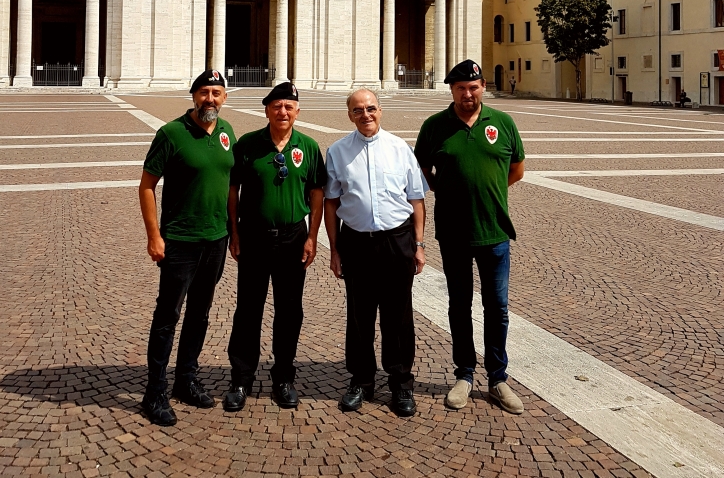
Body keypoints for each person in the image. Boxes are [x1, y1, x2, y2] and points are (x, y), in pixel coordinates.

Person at [414, 60, 526, 415]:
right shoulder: (434, 127)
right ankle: (464, 375)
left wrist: (490, 193)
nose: (468, 93)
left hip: (494, 232)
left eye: (473, 87)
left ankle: (498, 378)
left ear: (482, 86)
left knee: (498, 308)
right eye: (461, 88)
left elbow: (517, 169)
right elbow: (419, 169)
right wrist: (444, 189)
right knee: (459, 308)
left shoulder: (503, 122)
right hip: (454, 233)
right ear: (452, 90)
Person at [138, 69, 236, 426]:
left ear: (224, 98)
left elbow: (229, 186)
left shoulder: (226, 133)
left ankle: (186, 379)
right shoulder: (171, 133)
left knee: (200, 312)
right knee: (168, 315)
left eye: (217, 93)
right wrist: (154, 235)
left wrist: (233, 232)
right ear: (194, 96)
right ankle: (155, 390)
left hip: (216, 238)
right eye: (205, 93)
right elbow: (147, 186)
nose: (211, 99)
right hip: (180, 239)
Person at [224, 82, 326, 412]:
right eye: (277, 106)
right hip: (253, 236)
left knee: (289, 311)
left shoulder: (308, 146)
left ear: (297, 111)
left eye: (289, 107)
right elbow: (233, 189)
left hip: (293, 237)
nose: (283, 112)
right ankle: (241, 377)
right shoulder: (249, 144)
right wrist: (234, 232)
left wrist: (312, 235)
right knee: (248, 309)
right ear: (266, 109)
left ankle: (283, 376)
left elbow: (317, 193)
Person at [325, 89, 427, 417]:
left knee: (398, 315)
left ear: (380, 111)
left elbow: (417, 200)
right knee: (359, 315)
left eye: (370, 108)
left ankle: (400, 383)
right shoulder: (338, 152)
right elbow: (331, 202)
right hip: (356, 241)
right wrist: (335, 249)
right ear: (349, 115)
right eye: (358, 110)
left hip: (397, 241)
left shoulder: (400, 149)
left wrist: (420, 244)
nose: (365, 115)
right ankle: (362, 380)